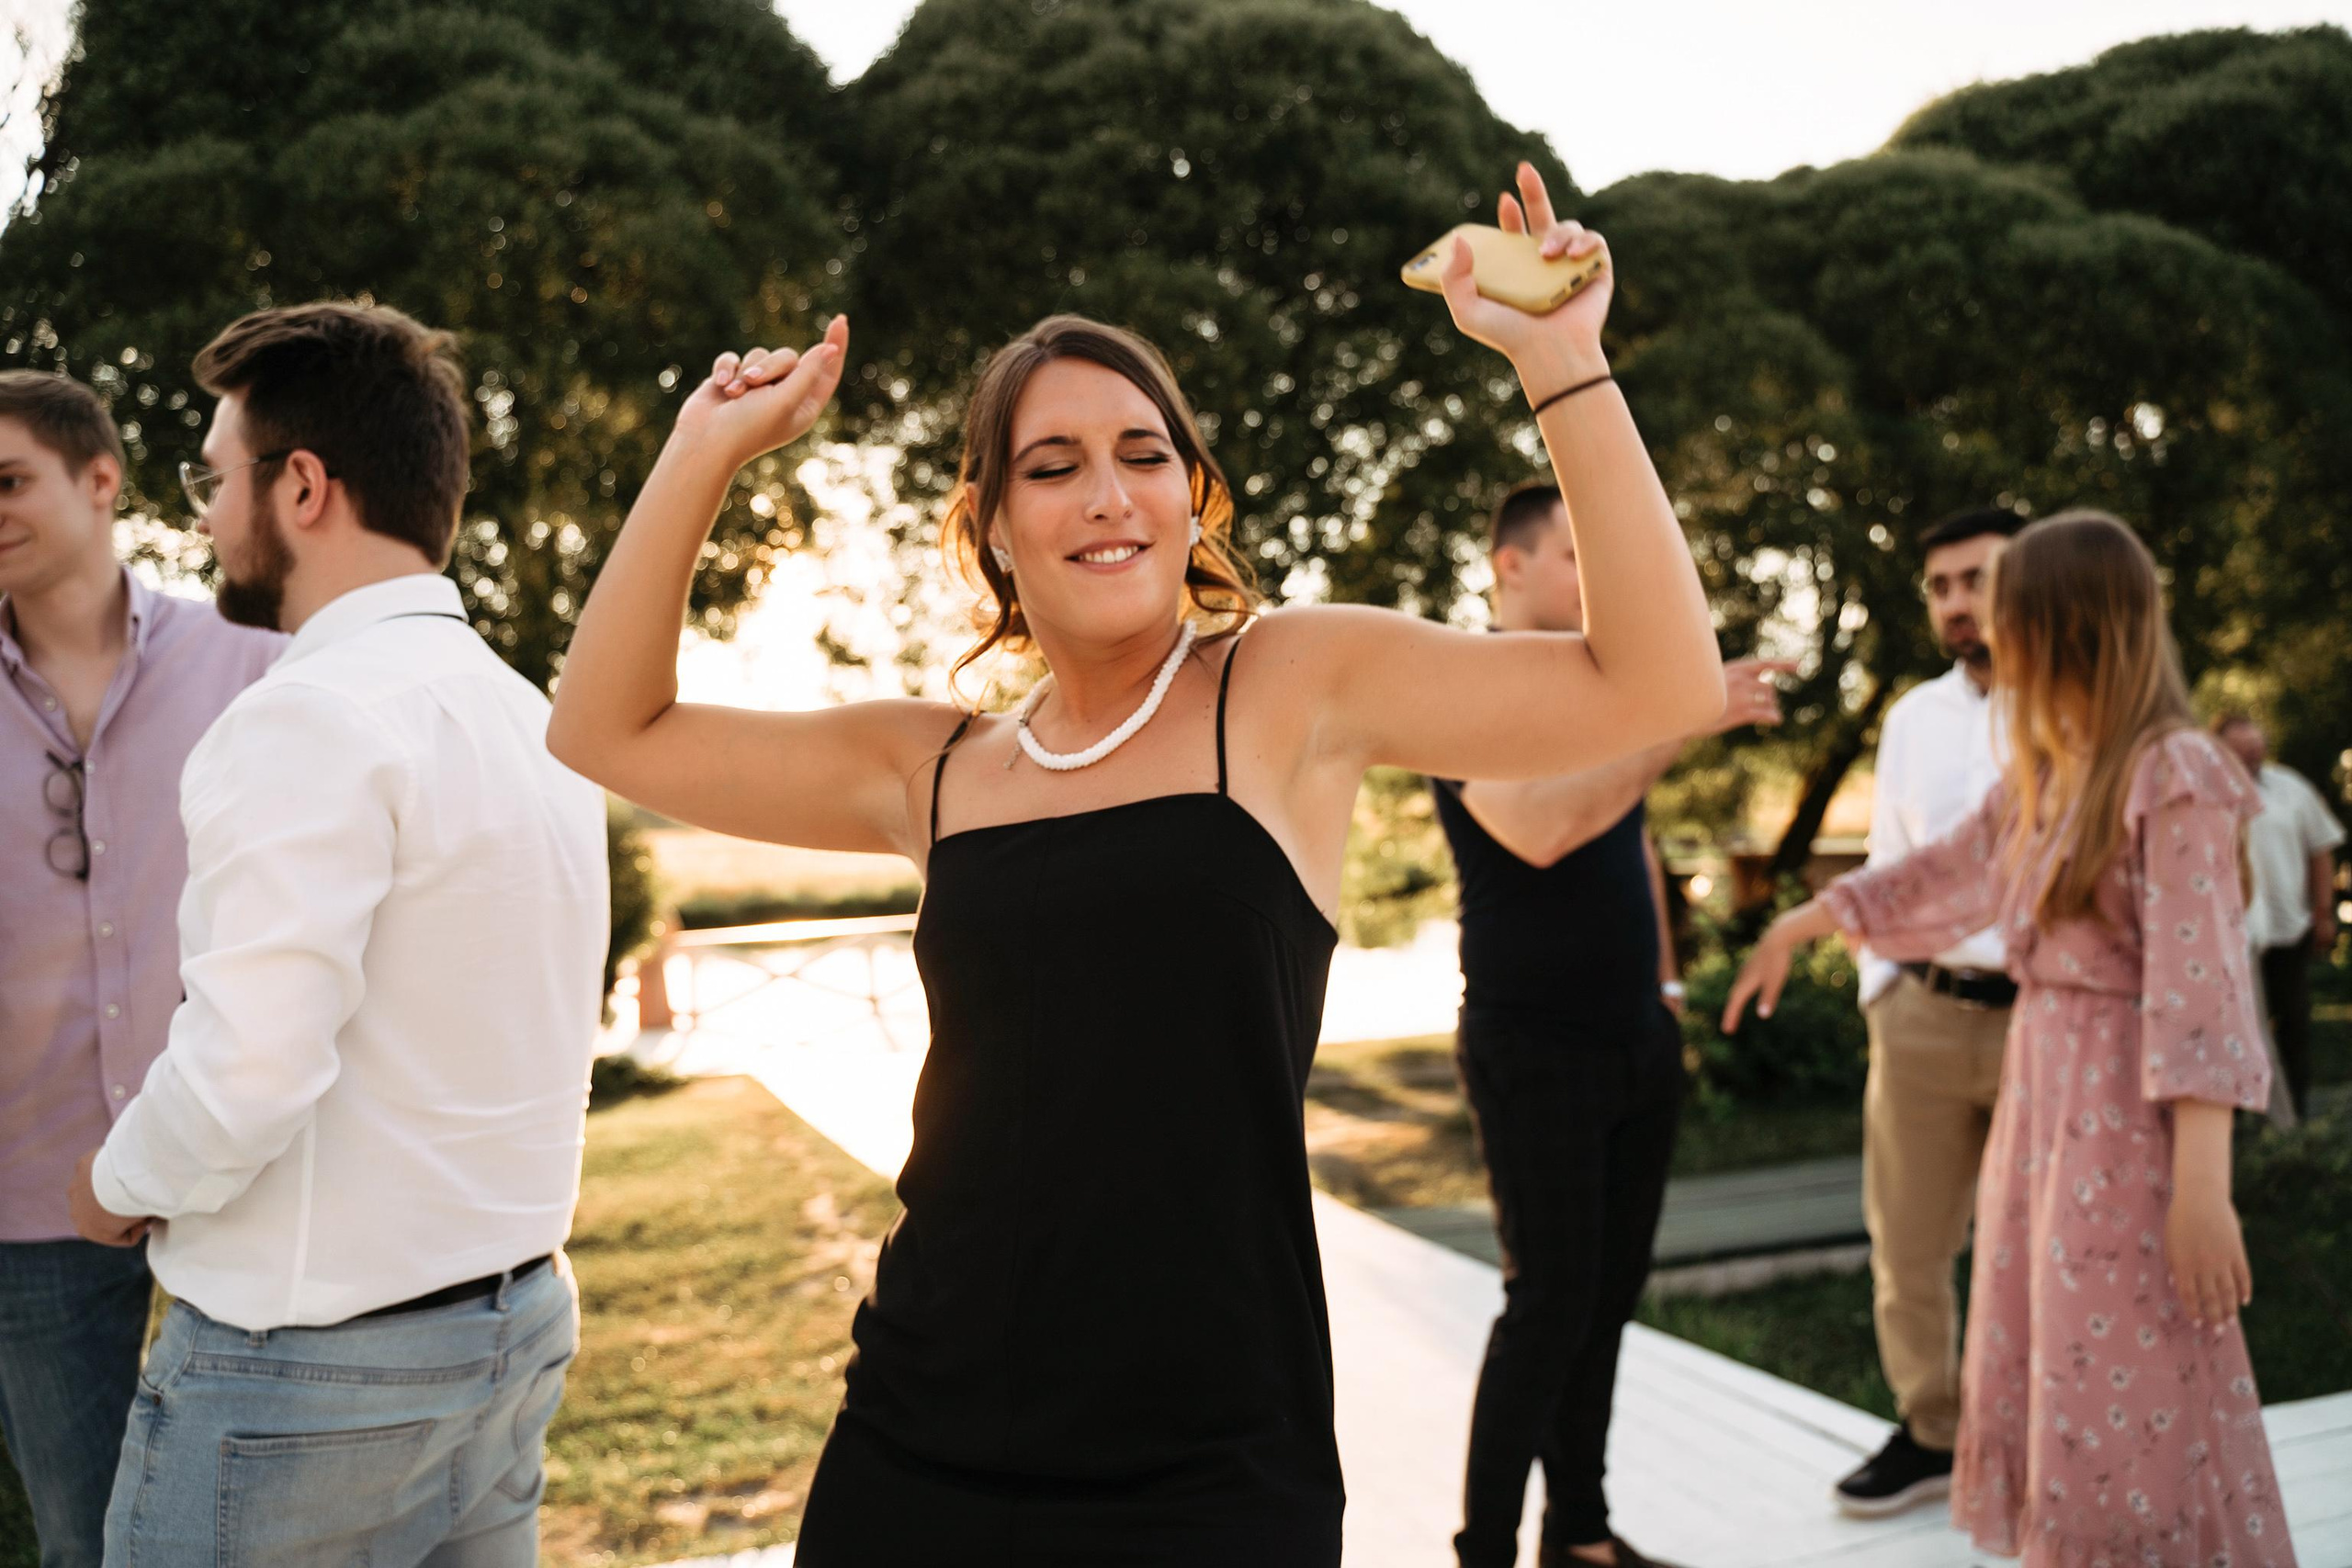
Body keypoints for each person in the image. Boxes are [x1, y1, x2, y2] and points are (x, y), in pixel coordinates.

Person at [548, 163, 1724, 1565]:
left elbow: (1658, 680)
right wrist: (701, 456)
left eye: (1143, 453)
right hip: (923, 1434)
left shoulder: (1291, 686)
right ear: (990, 521)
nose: (1107, 494)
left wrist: (1565, 364)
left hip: (1211, 1462)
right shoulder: (936, 763)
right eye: (1052, 466)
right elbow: (603, 725)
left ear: (1194, 493)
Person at [62, 303, 608, 1566]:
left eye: (213, 478)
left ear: (302, 484)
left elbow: (248, 1067)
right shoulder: (537, 718)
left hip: (307, 1377)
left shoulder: (302, 716)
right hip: (512, 1327)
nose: (201, 518)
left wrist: (114, 1183)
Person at [1724, 511, 2296, 1567]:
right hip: (2048, 1111)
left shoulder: (2171, 769)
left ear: (2061, 622)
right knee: (2056, 1364)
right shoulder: (2051, 764)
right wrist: (1804, 920)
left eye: (2008, 611)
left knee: (2122, 1373)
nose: (1988, 632)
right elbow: (1940, 874)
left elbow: (2201, 992)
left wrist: (2204, 1187)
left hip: (2124, 1126)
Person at [1432, 479, 1789, 1568]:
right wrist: (1683, 710)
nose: (1600, 580)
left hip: (1634, 1036)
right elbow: (1541, 827)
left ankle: (1577, 1538)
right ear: (1510, 568)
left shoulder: (1597, 683)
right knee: (1546, 1307)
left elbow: (1622, 834)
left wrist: (1668, 996)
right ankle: (1484, 1549)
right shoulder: (1458, 687)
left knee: (1606, 1303)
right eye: (1577, 559)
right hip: (1532, 1047)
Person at [0, 372, 281, 1568]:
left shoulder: (251, 663)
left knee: (271, 1533)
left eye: (9, 480)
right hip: (32, 1192)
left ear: (101, 478)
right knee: (88, 1541)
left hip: (244, 1180)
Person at [1832, 503, 2028, 1517]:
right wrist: (1882, 993)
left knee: (2038, 1243)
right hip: (1918, 1013)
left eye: (1976, 579)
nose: (1955, 603)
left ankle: (2037, 1439)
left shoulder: (2077, 708)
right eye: (1941, 587)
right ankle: (1931, 1431)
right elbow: (1890, 866)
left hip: (2045, 1021)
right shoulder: (1911, 719)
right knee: (1906, 1243)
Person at [2212, 713, 2343, 1122]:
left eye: (2256, 749)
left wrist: (2323, 913)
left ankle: (2293, 1121)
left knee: (2293, 1024)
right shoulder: (2208, 791)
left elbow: (2321, 849)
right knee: (2235, 1030)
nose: (2253, 757)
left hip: (2288, 928)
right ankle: (2239, 1122)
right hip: (2235, 935)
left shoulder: (2291, 788)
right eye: (2242, 750)